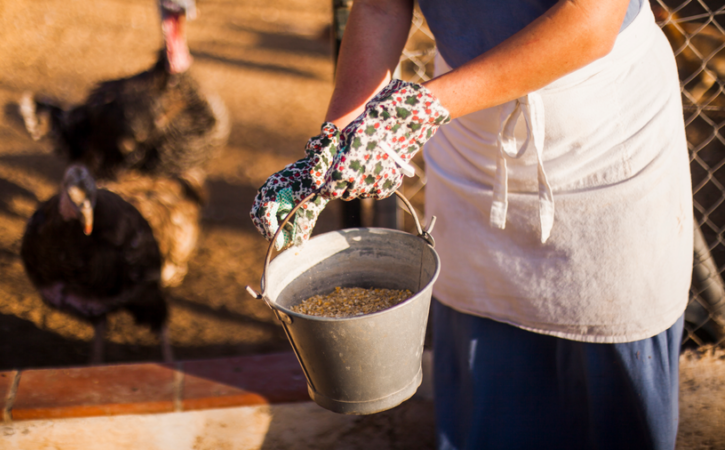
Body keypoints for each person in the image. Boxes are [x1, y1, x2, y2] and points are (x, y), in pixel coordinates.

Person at [250, 0, 692, 448]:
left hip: (599, 137)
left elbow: (591, 22)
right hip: (466, 127)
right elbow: (382, 6)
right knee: (488, 378)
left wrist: (420, 110)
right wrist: (333, 145)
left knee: (610, 376)